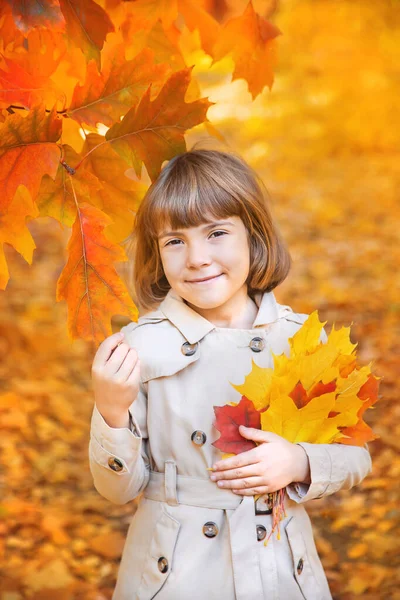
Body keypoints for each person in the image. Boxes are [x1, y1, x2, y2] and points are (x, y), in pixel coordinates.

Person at [89, 148, 372, 600]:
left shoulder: (302, 341)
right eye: (174, 241)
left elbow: (357, 456)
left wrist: (299, 462)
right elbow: (118, 488)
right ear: (156, 253)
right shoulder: (138, 349)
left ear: (253, 237)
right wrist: (110, 412)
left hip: (279, 562)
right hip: (177, 570)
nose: (197, 258)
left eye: (217, 233)